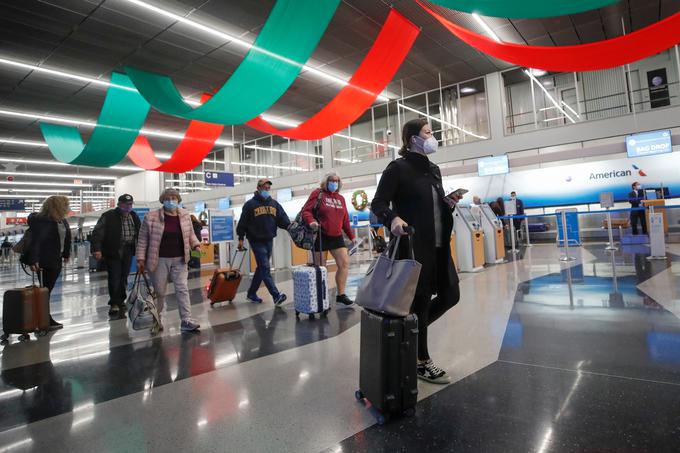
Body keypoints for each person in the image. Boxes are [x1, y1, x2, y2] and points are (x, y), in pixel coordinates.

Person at [371, 118, 461, 384]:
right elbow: (378, 203)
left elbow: (432, 205)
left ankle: (408, 334)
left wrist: (449, 204)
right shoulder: (397, 168)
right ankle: (422, 361)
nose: (433, 137)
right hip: (414, 247)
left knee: (451, 294)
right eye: (428, 132)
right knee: (420, 302)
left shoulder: (433, 169)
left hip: (439, 245)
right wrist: (393, 219)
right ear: (413, 139)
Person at [136, 189, 202, 332]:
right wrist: (140, 258)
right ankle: (156, 319)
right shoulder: (151, 217)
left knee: (182, 289)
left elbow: (190, 234)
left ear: (178, 200)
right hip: (159, 260)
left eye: (173, 198)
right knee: (159, 291)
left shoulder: (185, 215)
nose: (171, 200)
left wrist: (195, 244)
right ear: (162, 200)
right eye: (167, 198)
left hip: (180, 259)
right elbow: (142, 240)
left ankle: (186, 320)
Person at [302, 172, 358, 308]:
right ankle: (322, 296)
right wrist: (311, 222)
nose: (334, 183)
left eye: (337, 181)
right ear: (326, 182)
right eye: (332, 180)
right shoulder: (318, 194)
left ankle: (341, 294)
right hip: (320, 234)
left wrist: (352, 237)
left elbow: (345, 220)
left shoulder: (341, 198)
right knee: (321, 269)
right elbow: (306, 211)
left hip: (337, 236)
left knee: (344, 263)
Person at [236, 179, 290, 305]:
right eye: (264, 188)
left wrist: (291, 227)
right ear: (258, 188)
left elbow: (283, 219)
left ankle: (251, 293)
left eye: (268, 188)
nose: (266, 190)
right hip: (255, 240)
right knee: (265, 267)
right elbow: (242, 222)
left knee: (261, 268)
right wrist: (240, 238)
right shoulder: (250, 205)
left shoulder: (274, 204)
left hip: (269, 239)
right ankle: (276, 295)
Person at [26, 195, 72, 330]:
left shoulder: (61, 220)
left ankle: (41, 317)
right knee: (45, 291)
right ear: (58, 206)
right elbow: (36, 242)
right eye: (65, 205)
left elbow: (66, 237)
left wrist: (66, 253)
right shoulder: (44, 221)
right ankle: (44, 319)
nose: (68, 207)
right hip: (45, 260)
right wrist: (33, 260)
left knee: (46, 290)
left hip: (56, 259)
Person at [91, 194, 141, 317]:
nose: (128, 207)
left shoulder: (133, 216)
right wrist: (97, 249)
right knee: (114, 276)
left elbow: (139, 232)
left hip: (128, 250)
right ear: (119, 204)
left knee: (124, 276)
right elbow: (98, 233)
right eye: (125, 204)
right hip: (113, 250)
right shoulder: (108, 216)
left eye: (130, 204)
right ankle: (114, 302)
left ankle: (121, 299)